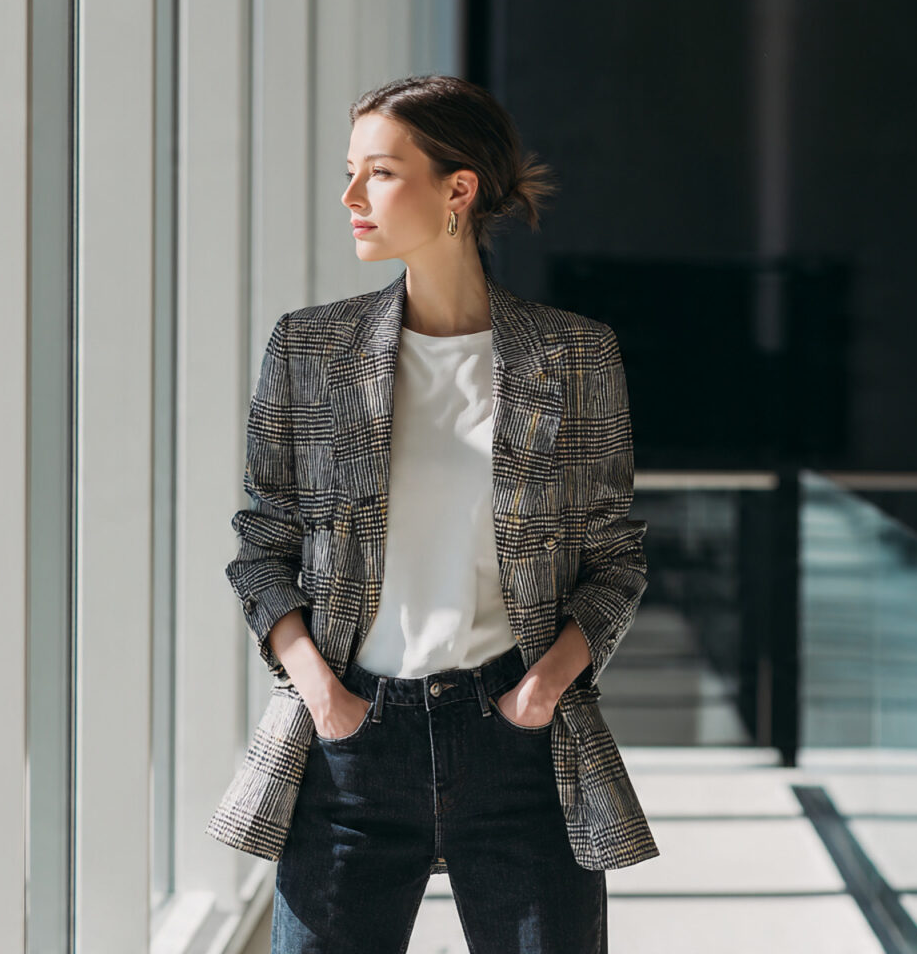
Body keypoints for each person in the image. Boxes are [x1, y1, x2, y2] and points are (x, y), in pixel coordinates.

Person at [205, 74, 659, 954]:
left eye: (378, 172)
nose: (350, 197)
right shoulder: (311, 347)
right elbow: (262, 546)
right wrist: (321, 691)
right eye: (350, 172)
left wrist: (543, 687)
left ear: (459, 189)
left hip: (517, 741)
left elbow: (615, 557)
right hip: (349, 746)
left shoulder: (571, 355)